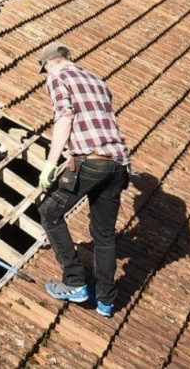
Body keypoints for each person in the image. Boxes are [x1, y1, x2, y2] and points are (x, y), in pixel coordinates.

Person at [37, 41, 130, 317]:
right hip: (118, 164)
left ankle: (75, 282)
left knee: (49, 213)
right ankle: (106, 301)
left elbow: (65, 118)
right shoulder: (97, 79)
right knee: (104, 236)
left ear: (49, 63)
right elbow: (96, 120)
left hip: (90, 161)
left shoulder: (57, 77)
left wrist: (51, 163)